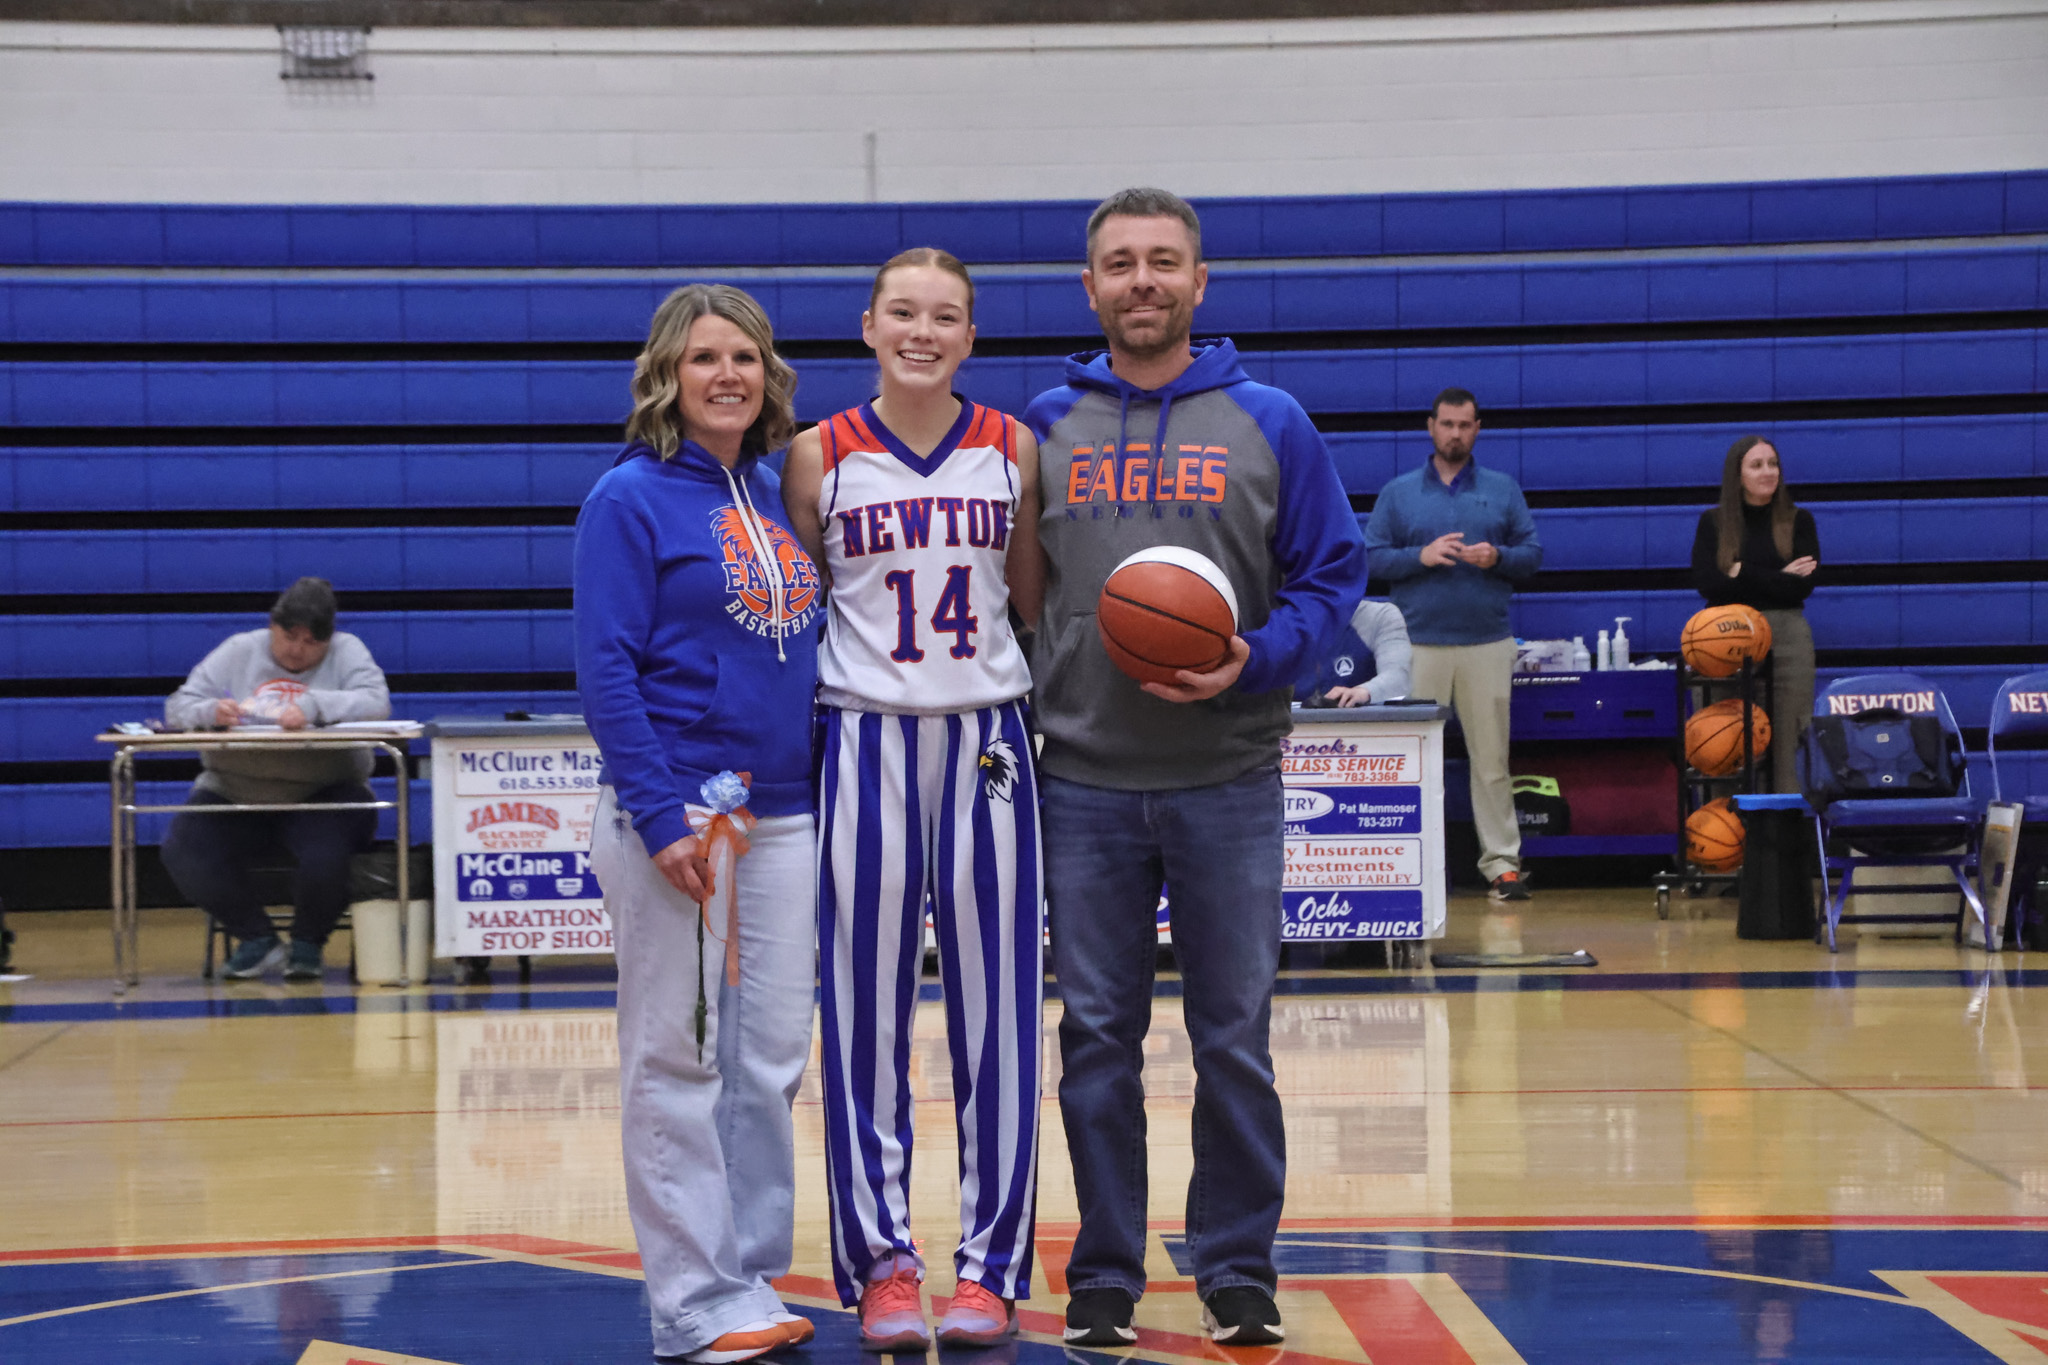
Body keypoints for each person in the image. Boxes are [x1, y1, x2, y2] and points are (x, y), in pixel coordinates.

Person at [1024, 188, 1366, 1349]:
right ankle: (1104, 1271)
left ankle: (1234, 1267)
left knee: (1232, 1041)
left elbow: (1331, 578)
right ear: (1089, 287)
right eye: (1120, 263)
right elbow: (1014, 596)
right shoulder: (1041, 429)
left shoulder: (1271, 421)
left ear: (1198, 281)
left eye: (1162, 261)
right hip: (1081, 780)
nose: (1142, 282)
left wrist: (1254, 659)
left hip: (1228, 774)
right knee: (1094, 1043)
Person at [780, 248, 1047, 1353]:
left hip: (988, 736)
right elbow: (797, 608)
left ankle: (990, 1267)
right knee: (861, 1014)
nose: (922, 332)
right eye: (903, 312)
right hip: (862, 735)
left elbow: (1026, 596)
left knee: (1001, 1011)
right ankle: (882, 1264)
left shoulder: (1013, 446)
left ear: (970, 336)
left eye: (944, 316)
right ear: (868, 325)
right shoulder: (817, 455)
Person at [575, 284, 824, 1365]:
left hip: (787, 816)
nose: (728, 375)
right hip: (676, 817)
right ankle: (690, 1301)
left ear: (770, 376)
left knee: (767, 1060)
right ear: (667, 376)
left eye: (745, 357)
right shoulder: (626, 499)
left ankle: (746, 1276)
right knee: (674, 1058)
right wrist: (655, 810)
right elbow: (604, 668)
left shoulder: (776, 491)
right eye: (705, 357)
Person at [160, 577, 390, 981]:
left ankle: (307, 944)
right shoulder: (239, 649)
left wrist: (315, 706)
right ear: (272, 625)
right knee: (184, 849)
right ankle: (258, 940)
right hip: (234, 791)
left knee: (326, 854)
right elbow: (179, 705)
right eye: (289, 637)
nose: (297, 650)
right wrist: (210, 712)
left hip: (325, 792)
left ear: (329, 639)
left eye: (311, 642)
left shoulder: (349, 650)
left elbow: (377, 702)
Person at [1364, 389, 1542, 901]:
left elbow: (1532, 555)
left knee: (1491, 763)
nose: (1455, 434)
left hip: (1487, 642)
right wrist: (1419, 556)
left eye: (1465, 425)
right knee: (1412, 763)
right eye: (1447, 424)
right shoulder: (1398, 493)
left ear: (1477, 428)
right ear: (1431, 426)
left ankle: (1502, 865)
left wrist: (1498, 557)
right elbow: (1371, 559)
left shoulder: (1503, 489)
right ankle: (1404, 863)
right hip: (1416, 645)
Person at [1689, 434, 1819, 793]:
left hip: (1787, 638)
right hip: (1724, 638)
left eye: (1773, 464)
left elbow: (1801, 587)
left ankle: (1786, 827)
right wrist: (1778, 576)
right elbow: (1708, 584)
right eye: (1757, 465)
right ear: (1738, 474)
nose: (1768, 471)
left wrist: (1741, 571)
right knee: (1723, 740)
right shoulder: (1714, 522)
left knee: (1790, 741)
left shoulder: (1799, 521)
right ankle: (1724, 824)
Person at [1295, 597, 1412, 707]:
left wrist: (1364, 691)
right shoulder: (1286, 622)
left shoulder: (1380, 616)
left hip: (1361, 720)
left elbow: (1398, 678)